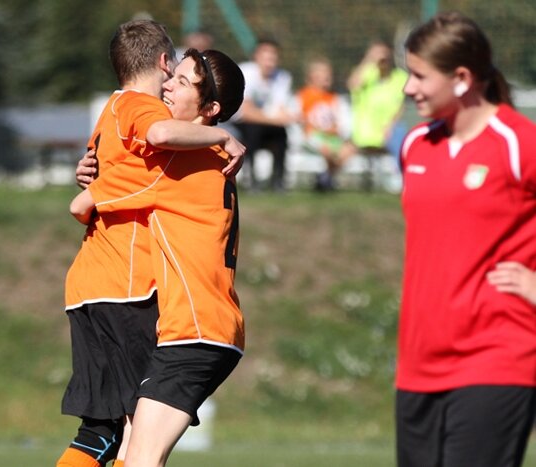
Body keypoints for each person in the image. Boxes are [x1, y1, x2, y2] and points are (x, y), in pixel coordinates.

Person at [57, 20, 245, 467]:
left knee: (130, 448)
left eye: (182, 82)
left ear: (209, 108)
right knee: (125, 446)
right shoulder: (209, 156)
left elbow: (82, 204)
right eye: (172, 75)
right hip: (196, 326)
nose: (168, 87)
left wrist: (98, 176)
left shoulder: (172, 161)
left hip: (191, 327)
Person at [397, 11, 536, 467]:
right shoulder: (415, 145)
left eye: (420, 76)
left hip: (498, 357)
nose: (408, 88)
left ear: (461, 78)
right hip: (417, 364)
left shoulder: (519, 144)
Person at [233, 38, 297, 192]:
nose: (270, 62)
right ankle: (251, 179)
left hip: (267, 123)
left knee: (281, 135)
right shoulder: (245, 72)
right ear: (256, 57)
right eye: (266, 57)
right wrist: (275, 119)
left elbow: (281, 108)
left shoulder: (283, 77)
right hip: (242, 125)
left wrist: (286, 117)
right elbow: (245, 112)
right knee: (253, 131)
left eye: (273, 57)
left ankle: (278, 181)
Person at [296, 56, 356, 191]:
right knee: (327, 150)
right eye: (323, 73)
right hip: (312, 136)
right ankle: (326, 179)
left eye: (328, 73)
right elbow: (298, 119)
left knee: (350, 149)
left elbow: (343, 123)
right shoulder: (303, 95)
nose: (327, 77)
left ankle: (325, 177)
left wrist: (339, 132)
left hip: (331, 137)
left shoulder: (335, 98)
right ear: (312, 76)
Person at [347, 39, 408, 159]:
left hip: (388, 141)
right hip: (363, 140)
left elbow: (403, 106)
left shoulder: (400, 78)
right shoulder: (367, 75)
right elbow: (353, 84)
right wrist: (369, 59)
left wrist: (392, 126)